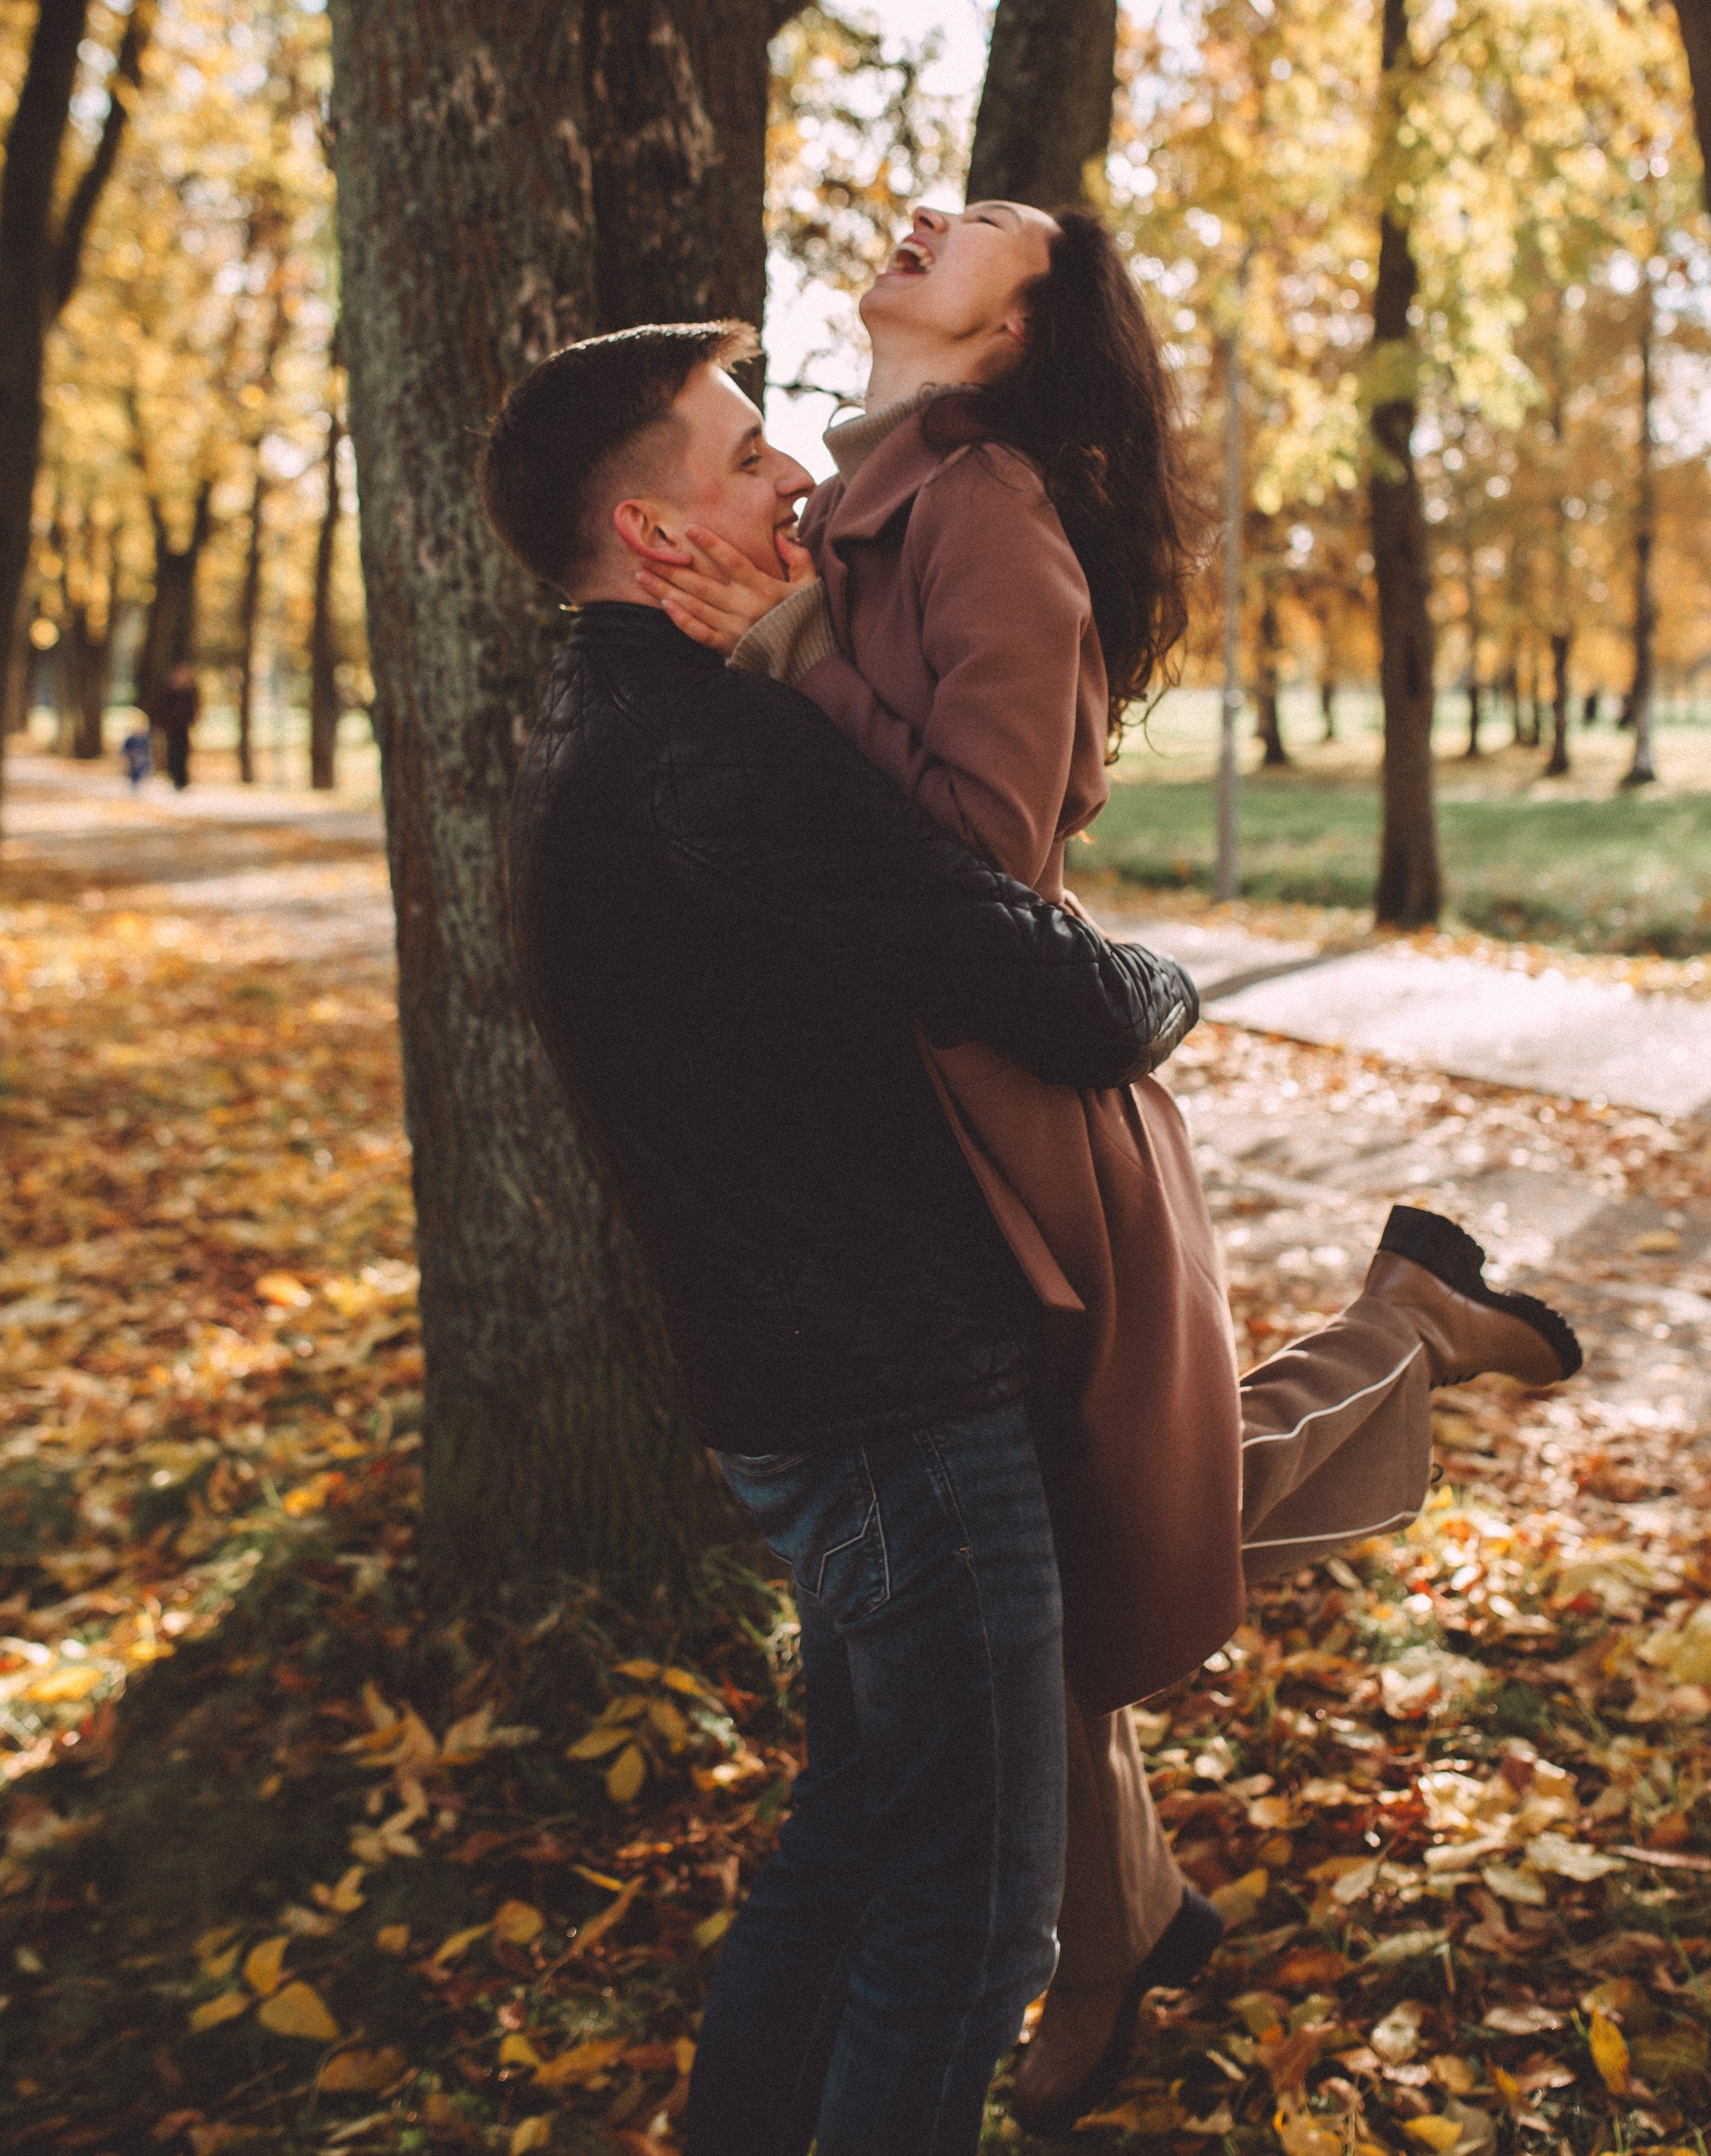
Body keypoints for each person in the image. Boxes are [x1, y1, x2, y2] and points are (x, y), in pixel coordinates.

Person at [638, 201, 1584, 2134]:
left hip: (1011, 1131)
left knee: (1076, 1550)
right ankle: (1124, 1919)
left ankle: (1394, 1342)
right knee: (1047, 1563)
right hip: (905, 1135)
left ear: (1016, 327)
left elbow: (966, 867)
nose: (926, 217)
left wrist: (783, 645)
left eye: (981, 227)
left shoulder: (982, 513)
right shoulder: (868, 500)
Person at [478, 320, 1203, 2156]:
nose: (794, 471)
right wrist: (1169, 977)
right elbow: (1050, 990)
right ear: (652, 533)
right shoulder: (711, 760)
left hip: (801, 1402)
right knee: (968, 1924)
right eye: (741, 456)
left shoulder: (610, 730)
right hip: (892, 1414)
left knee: (857, 1835)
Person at [154, 663, 200, 791]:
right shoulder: (169, 691)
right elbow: (162, 708)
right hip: (171, 727)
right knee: (172, 752)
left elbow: (194, 708)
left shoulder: (189, 691)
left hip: (183, 726)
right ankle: (174, 776)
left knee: (183, 752)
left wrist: (193, 719)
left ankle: (182, 779)